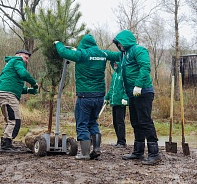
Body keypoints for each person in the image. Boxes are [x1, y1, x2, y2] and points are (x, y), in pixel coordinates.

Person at [105, 29, 162, 165]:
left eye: (119, 44)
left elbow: (145, 67)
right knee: (135, 121)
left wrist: (138, 85)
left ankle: (154, 153)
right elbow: (110, 55)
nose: (119, 46)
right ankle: (138, 151)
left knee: (145, 121)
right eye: (117, 45)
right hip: (132, 93)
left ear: (125, 41)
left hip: (143, 91)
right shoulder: (123, 55)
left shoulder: (138, 50)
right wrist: (94, 52)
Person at [54, 34, 109, 160]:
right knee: (93, 122)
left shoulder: (82, 55)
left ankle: (84, 154)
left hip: (85, 96)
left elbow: (63, 52)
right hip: (100, 95)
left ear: (83, 44)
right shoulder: (102, 54)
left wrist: (58, 43)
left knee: (82, 124)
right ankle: (96, 148)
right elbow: (115, 55)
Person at [0, 49, 38, 153]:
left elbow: (13, 84)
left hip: (3, 93)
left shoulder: (10, 64)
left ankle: (7, 143)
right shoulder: (17, 60)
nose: (26, 61)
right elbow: (23, 74)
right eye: (26, 58)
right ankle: (6, 145)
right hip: (8, 95)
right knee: (15, 121)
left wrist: (29, 90)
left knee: (10, 120)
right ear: (19, 55)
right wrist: (34, 83)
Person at [104, 61, 128, 148]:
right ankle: (119, 140)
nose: (115, 65)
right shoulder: (114, 75)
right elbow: (112, 89)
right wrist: (107, 97)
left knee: (120, 122)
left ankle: (122, 141)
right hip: (114, 102)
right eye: (114, 64)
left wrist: (125, 98)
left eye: (116, 64)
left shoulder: (123, 75)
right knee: (115, 122)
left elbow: (126, 87)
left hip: (121, 102)